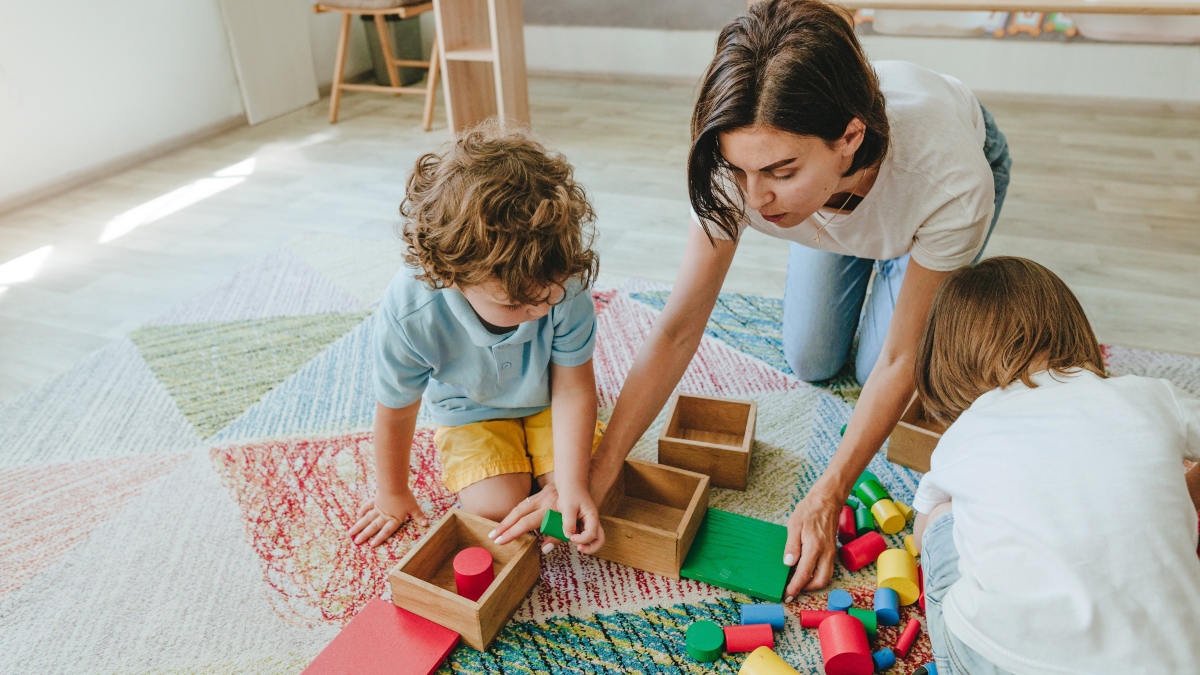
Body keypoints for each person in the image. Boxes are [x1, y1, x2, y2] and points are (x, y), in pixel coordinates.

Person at [493, 0, 1011, 602]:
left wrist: (828, 492)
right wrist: (597, 469)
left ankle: (873, 239)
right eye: (741, 173)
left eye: (779, 171)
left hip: (917, 189)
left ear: (848, 138)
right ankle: (836, 224)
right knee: (813, 358)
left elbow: (899, 362)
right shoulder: (737, 168)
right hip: (831, 199)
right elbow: (678, 329)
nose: (756, 199)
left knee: (879, 370)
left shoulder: (950, 180)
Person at [910, 257, 1200, 674]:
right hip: (1172, 660)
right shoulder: (1150, 394)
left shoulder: (965, 433)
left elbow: (924, 538)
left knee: (941, 515)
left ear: (950, 361)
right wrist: (1187, 491)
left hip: (998, 659)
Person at [349, 124, 606, 555]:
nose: (540, 310)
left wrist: (574, 484)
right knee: (497, 507)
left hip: (550, 400)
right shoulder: (412, 311)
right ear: (452, 276)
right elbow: (396, 407)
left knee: (580, 495)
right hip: (469, 410)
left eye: (548, 296)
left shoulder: (563, 282)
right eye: (516, 306)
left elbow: (574, 387)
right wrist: (391, 493)